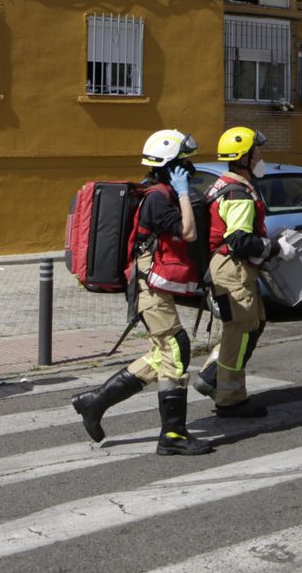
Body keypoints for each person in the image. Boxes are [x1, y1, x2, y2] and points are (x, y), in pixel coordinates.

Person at [71, 130, 213, 456]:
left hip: (151, 287)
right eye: (184, 162)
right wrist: (181, 192)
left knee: (161, 355)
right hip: (150, 289)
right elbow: (188, 231)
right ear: (170, 165)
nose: (189, 167)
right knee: (177, 349)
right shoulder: (159, 198)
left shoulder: (158, 193)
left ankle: (94, 402)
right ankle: (173, 436)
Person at [190, 127, 286, 418]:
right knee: (239, 331)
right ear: (244, 157)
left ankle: (212, 377)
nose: (261, 156)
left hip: (229, 267)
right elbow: (239, 240)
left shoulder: (222, 184)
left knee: (254, 323)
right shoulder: (239, 194)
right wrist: (275, 248)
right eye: (256, 151)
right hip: (233, 269)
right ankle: (229, 397)